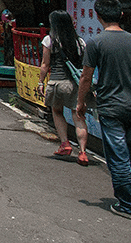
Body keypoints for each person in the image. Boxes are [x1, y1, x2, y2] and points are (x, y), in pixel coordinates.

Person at [76, 0, 131, 221]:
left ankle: (129, 204)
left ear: (98, 16)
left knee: (118, 155)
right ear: (121, 15)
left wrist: (80, 102)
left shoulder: (96, 43)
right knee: (130, 148)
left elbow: (86, 77)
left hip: (112, 108)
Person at [37, 10, 89, 165]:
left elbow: (45, 64)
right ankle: (83, 152)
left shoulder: (49, 40)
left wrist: (41, 82)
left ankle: (65, 143)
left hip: (56, 82)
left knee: (57, 111)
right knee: (78, 115)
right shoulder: (80, 42)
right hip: (75, 84)